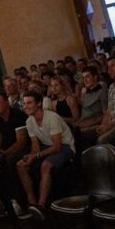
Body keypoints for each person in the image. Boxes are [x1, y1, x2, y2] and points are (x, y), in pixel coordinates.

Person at [16, 90, 76, 220]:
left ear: (38, 104)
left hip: (65, 146)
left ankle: (41, 205)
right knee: (21, 165)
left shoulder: (51, 117)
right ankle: (32, 203)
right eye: (24, 103)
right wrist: (31, 156)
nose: (25, 106)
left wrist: (36, 156)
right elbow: (35, 146)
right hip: (48, 146)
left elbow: (57, 146)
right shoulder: (29, 121)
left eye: (29, 103)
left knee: (45, 165)